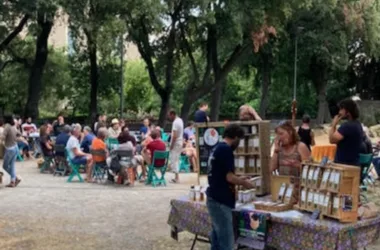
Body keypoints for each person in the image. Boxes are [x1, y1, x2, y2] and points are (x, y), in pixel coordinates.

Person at [206, 124, 255, 250]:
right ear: (235, 137)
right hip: (221, 200)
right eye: (239, 140)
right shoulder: (226, 150)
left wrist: (239, 177)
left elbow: (223, 173)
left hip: (214, 197)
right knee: (226, 242)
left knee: (217, 238)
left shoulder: (217, 148)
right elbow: (229, 177)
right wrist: (244, 183)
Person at [329, 98, 363, 166]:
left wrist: (333, 125)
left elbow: (332, 140)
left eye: (341, 109)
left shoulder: (347, 126)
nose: (339, 112)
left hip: (344, 166)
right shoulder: (358, 124)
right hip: (353, 164)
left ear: (348, 111)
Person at [1, 115, 22, 187]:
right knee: (12, 165)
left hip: (10, 149)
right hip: (15, 147)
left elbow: (3, 136)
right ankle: (13, 181)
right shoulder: (13, 126)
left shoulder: (7, 126)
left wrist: (2, 139)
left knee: (5, 166)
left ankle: (15, 177)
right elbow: (19, 134)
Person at [168, 110, 184, 183]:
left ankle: (177, 177)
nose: (169, 117)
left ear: (173, 114)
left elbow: (174, 136)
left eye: (169, 115)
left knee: (174, 159)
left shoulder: (175, 122)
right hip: (180, 142)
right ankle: (176, 176)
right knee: (177, 159)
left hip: (176, 143)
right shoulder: (180, 120)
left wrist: (171, 145)